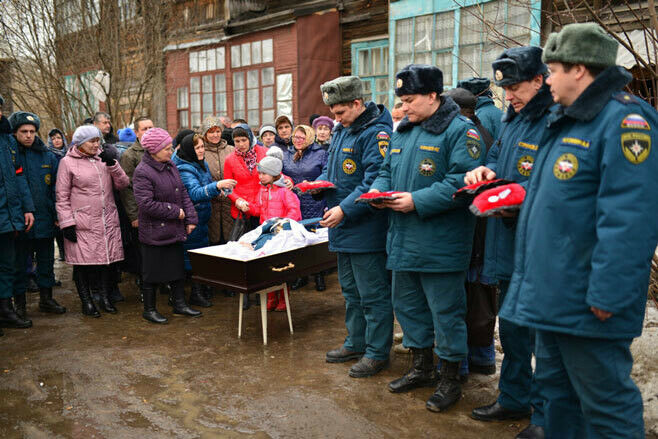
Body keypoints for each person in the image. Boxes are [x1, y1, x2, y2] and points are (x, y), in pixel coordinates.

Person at [500, 23, 658, 438]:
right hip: (554, 294)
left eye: (552, 70)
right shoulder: (568, 120)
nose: (546, 79)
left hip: (589, 301)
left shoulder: (625, 121)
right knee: (557, 397)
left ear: (581, 70)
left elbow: (631, 218)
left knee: (605, 405)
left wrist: (610, 292)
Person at [370, 64, 484, 412]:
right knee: (408, 307)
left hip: (441, 243)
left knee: (446, 312)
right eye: (400, 101)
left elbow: (463, 183)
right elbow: (386, 169)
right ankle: (421, 368)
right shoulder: (404, 130)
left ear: (434, 96)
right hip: (402, 240)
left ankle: (450, 378)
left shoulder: (460, 131)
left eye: (409, 100)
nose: (403, 108)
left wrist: (416, 201)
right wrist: (377, 191)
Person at [464, 47, 554, 439]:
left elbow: (558, 186)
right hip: (507, 241)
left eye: (514, 86)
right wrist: (486, 171)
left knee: (544, 340)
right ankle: (514, 396)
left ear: (539, 80)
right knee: (513, 328)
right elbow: (499, 158)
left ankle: (546, 417)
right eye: (504, 88)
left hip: (538, 247)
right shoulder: (513, 119)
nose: (508, 95)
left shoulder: (555, 120)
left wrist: (518, 201)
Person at [316, 76, 393, 378]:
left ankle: (377, 352)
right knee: (351, 291)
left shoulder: (375, 134)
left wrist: (345, 210)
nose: (336, 119)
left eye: (340, 113)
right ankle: (356, 341)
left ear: (357, 104)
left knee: (373, 294)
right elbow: (331, 169)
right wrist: (319, 185)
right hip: (342, 227)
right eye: (334, 113)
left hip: (365, 228)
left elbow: (374, 181)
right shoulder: (342, 131)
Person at [56, 125, 130, 317]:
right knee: (83, 264)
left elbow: (123, 184)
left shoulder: (103, 158)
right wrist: (67, 223)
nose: (96, 144)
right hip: (82, 222)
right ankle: (87, 302)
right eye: (92, 141)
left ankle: (104, 298)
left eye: (98, 140)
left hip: (107, 220)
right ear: (80, 143)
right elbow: (61, 196)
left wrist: (113, 164)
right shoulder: (67, 162)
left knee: (106, 261)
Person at [132, 128, 201, 323]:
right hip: (154, 232)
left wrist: (190, 218)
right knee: (152, 272)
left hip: (174, 228)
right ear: (153, 150)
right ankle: (149, 309)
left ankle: (179, 304)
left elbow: (183, 194)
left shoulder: (170, 165)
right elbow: (146, 203)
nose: (170, 152)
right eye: (166, 149)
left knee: (177, 269)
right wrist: (174, 211)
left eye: (170, 148)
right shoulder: (142, 172)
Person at [8, 112, 66, 322]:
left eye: (32, 131)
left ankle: (46, 299)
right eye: (24, 131)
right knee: (20, 265)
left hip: (44, 219)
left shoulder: (47, 156)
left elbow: (56, 190)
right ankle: (20, 305)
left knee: (46, 262)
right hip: (20, 222)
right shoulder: (10, 155)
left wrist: (57, 215)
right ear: (15, 132)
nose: (29, 136)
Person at [173, 133, 236, 308]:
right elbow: (194, 193)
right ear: (188, 150)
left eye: (202, 147)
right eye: (197, 148)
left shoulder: (201, 164)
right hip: (192, 220)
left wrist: (218, 190)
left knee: (198, 258)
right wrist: (217, 186)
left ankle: (198, 292)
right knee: (191, 260)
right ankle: (193, 295)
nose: (201, 151)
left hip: (203, 219)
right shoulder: (185, 169)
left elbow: (206, 184)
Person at [0, 96, 36, 334]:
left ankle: (5, 310)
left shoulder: (8, 141)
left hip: (8, 216)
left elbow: (19, 176)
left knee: (7, 265)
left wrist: (28, 208)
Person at [282, 124, 328, 291]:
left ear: (309, 137)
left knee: (315, 240)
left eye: (302, 137)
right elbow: (281, 172)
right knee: (297, 240)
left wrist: (314, 185)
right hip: (293, 202)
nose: (298, 141)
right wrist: (286, 179)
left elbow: (327, 173)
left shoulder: (320, 153)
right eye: (295, 137)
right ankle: (300, 276)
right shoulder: (287, 154)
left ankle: (319, 276)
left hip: (314, 200)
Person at [254, 150, 302, 311]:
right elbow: (259, 209)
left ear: (274, 174)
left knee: (281, 269)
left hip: (281, 236)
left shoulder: (284, 191)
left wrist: (283, 224)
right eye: (259, 173)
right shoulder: (263, 190)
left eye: (263, 174)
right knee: (268, 269)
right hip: (267, 236)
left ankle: (283, 297)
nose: (260, 177)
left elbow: (294, 211)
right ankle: (271, 297)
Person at [118, 116, 155, 299]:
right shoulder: (129, 155)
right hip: (140, 212)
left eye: (151, 128)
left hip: (158, 210)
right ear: (137, 132)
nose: (148, 131)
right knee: (142, 252)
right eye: (144, 129)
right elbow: (127, 189)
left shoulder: (159, 149)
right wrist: (134, 215)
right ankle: (143, 283)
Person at [224, 124, 269, 232]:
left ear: (250, 138)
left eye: (244, 140)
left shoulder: (265, 153)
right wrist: (237, 201)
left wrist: (288, 180)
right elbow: (227, 188)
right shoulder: (229, 160)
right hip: (242, 210)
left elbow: (277, 174)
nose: (241, 144)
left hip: (264, 206)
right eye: (237, 141)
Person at [201, 116, 235, 245]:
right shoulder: (201, 151)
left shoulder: (231, 150)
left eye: (218, 131)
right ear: (205, 134)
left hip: (229, 204)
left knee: (231, 243)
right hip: (210, 205)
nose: (215, 135)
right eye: (211, 132)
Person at [48, 128, 68, 261]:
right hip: (54, 193)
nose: (56, 141)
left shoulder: (69, 154)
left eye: (58, 138)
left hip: (69, 193)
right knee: (58, 227)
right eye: (53, 138)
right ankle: (62, 251)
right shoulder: (48, 156)